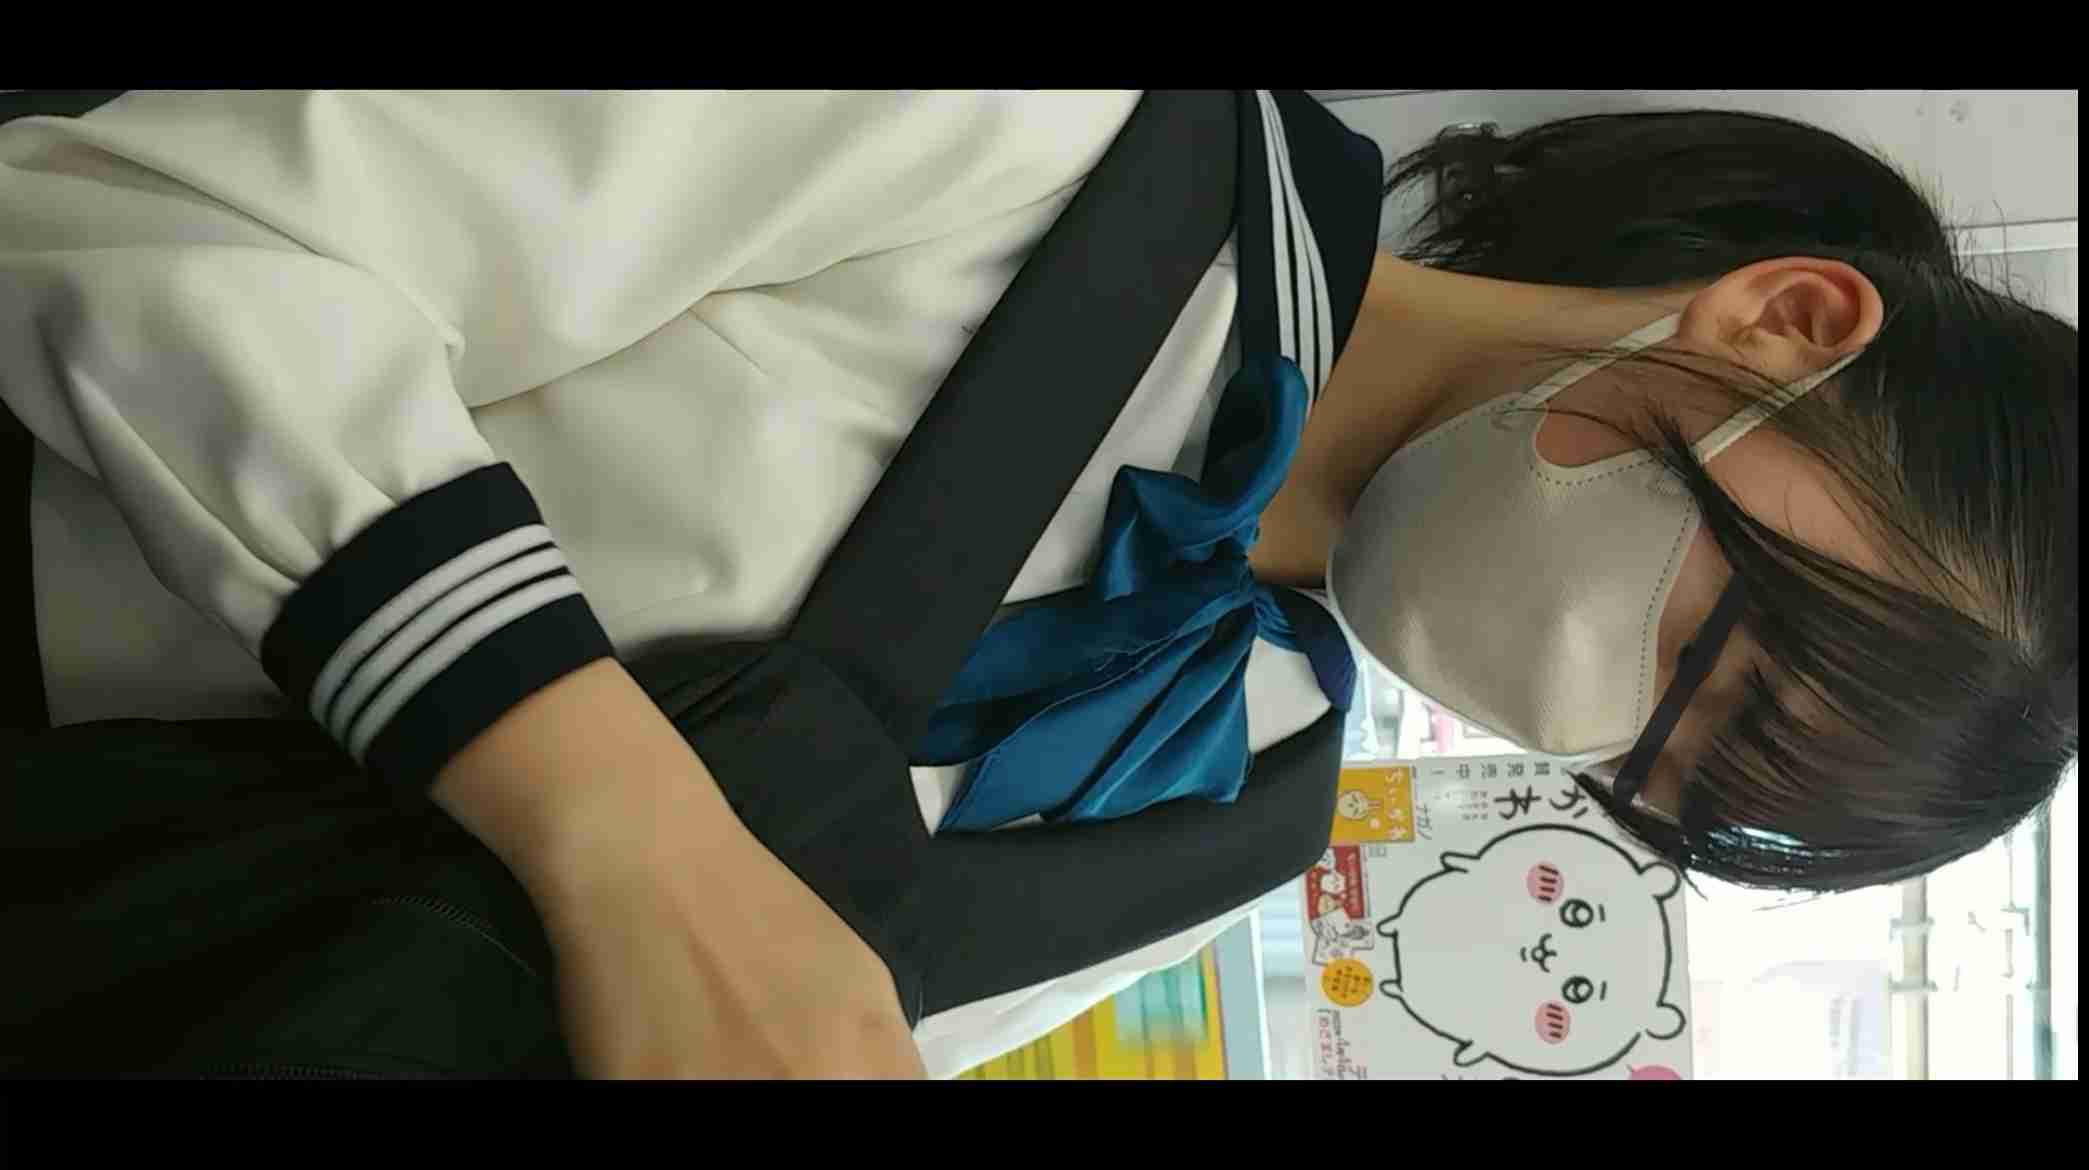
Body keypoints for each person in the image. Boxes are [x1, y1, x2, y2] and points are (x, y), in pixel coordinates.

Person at [1, 92, 2075, 1078]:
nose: (1583, 709)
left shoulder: (1236, 812)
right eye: (1714, 645)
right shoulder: (1058, 137)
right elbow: (140, 232)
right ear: (1785, 324)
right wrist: (623, 831)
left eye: (1656, 772)